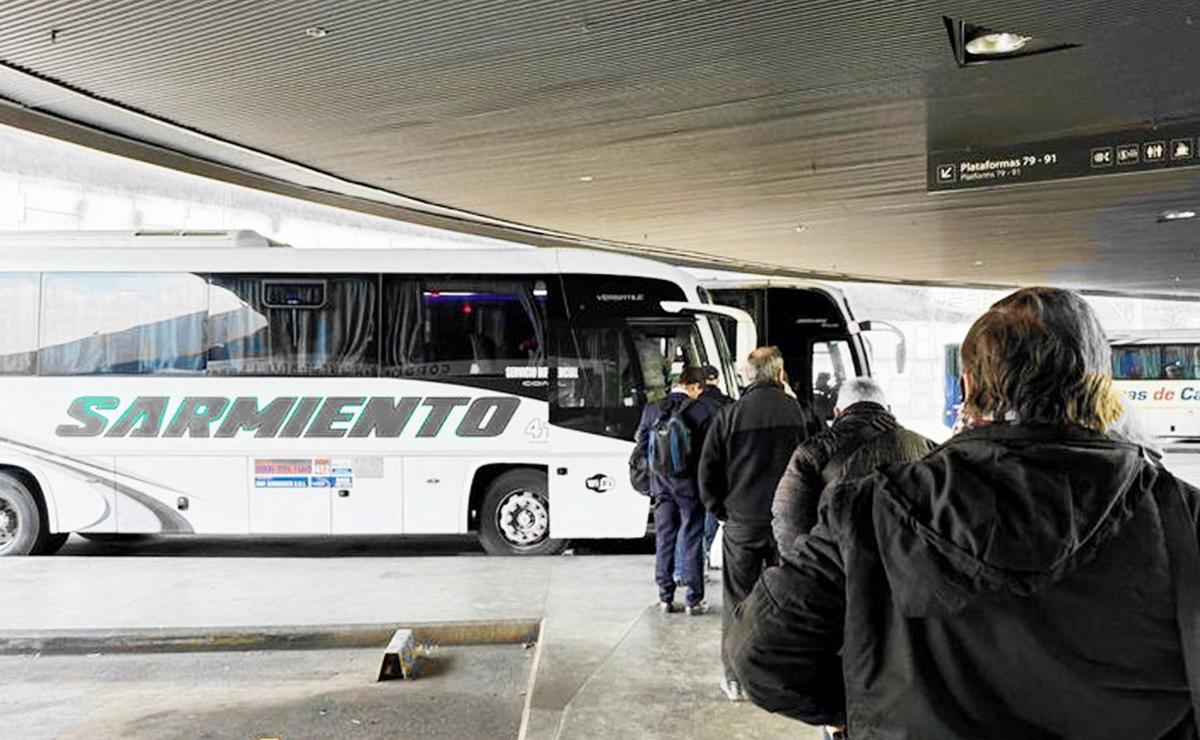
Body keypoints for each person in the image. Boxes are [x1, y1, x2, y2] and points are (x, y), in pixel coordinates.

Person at [728, 287, 1200, 739]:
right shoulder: (1182, 514)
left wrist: (852, 708)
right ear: (1101, 384)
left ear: (969, 384)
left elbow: (762, 653)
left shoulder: (871, 509)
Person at [698, 346, 824, 701]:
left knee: (739, 598)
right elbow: (817, 461)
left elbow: (707, 472)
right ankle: (781, 676)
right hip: (789, 523)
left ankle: (736, 679)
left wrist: (721, 510)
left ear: (749, 376)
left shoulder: (729, 415)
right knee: (787, 598)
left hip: (743, 522)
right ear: (779, 374)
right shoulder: (800, 413)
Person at [771, 376, 935, 554]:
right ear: (887, 409)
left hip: (841, 568)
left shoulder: (812, 452)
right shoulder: (928, 448)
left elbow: (788, 521)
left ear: (837, 413)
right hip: (910, 569)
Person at [634, 366, 717, 615]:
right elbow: (710, 453)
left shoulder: (652, 409)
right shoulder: (703, 410)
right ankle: (693, 599)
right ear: (694, 386)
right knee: (692, 537)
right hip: (691, 486)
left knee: (665, 537)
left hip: (661, 485)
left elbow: (641, 446)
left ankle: (665, 596)